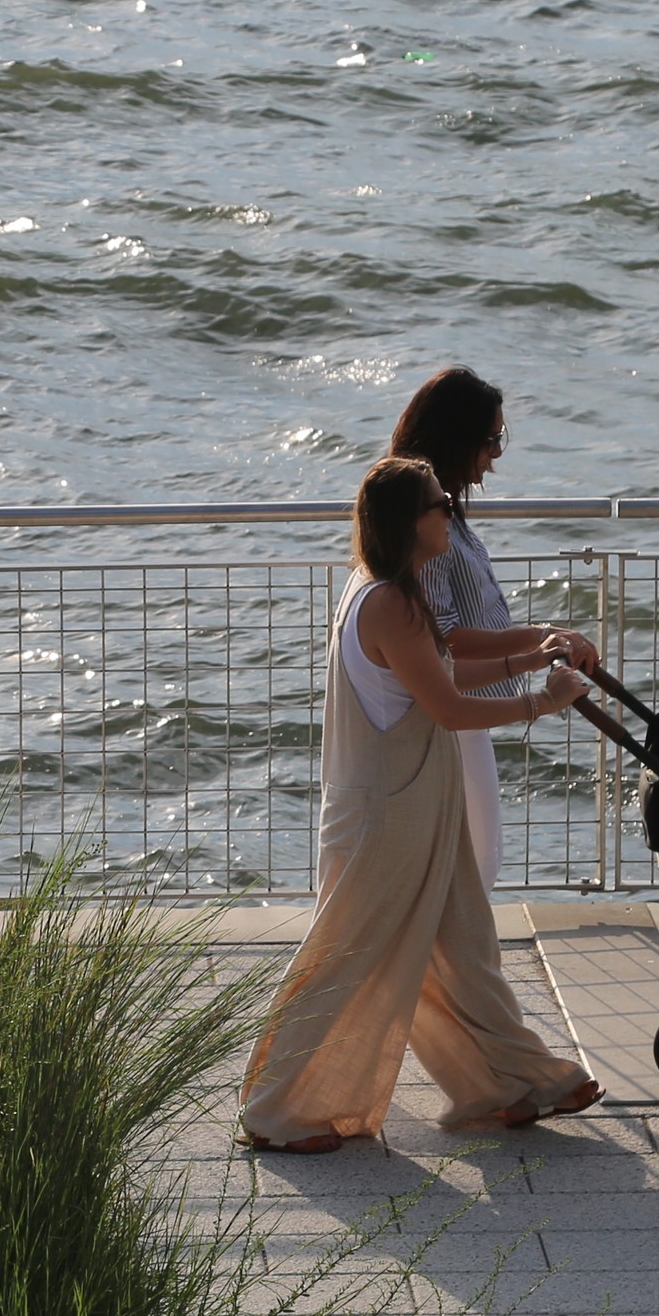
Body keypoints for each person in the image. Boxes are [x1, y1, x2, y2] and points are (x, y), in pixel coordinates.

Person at [238, 456, 605, 1154]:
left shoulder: (384, 592)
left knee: (463, 947)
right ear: (411, 522)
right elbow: (446, 706)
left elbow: (435, 671)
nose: (452, 515)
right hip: (389, 811)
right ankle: (274, 1111)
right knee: (348, 956)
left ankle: (510, 1084)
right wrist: (543, 703)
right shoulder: (387, 601)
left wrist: (532, 656)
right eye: (441, 505)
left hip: (412, 802)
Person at [391, 366, 598, 882]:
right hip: (448, 711)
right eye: (489, 440)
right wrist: (541, 641)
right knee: (478, 860)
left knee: (472, 858)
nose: (495, 455)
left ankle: (453, 957)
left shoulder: (442, 510)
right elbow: (448, 640)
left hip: (464, 705)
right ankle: (459, 958)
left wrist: (541, 641)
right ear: (456, 438)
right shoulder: (426, 520)